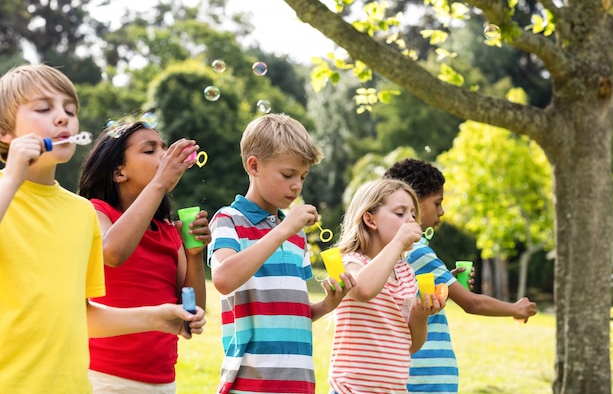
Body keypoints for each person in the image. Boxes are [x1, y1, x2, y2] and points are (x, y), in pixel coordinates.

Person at [0, 64, 205, 394]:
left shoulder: (80, 213)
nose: (64, 117)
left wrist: (155, 317)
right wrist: (11, 176)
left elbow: (81, 315)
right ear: (3, 132)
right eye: (44, 108)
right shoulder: (5, 193)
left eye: (70, 109)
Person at [208, 113, 357, 394]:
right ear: (254, 165)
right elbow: (223, 278)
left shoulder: (295, 235)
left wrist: (328, 304)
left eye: (302, 176)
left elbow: (290, 311)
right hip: (251, 382)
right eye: (288, 175)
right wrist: (282, 230)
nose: (297, 185)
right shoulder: (229, 220)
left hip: (298, 381)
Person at [77, 120, 210, 393]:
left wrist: (194, 255)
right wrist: (161, 182)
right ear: (118, 172)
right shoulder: (97, 212)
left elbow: (190, 309)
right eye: (150, 151)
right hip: (102, 377)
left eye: (164, 148)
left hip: (162, 380)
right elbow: (112, 253)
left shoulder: (167, 231)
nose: (164, 155)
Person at [383, 158, 537, 394]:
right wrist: (516, 308)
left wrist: (446, 279)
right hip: (427, 378)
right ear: (415, 201)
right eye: (438, 202)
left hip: (409, 376)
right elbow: (472, 303)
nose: (442, 211)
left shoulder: (393, 250)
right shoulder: (418, 250)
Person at [328, 178, 445, 394]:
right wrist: (398, 242)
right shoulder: (352, 262)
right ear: (370, 220)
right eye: (400, 213)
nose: (410, 220)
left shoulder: (406, 273)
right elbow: (363, 290)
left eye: (412, 214)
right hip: (351, 389)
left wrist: (420, 314)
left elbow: (410, 345)